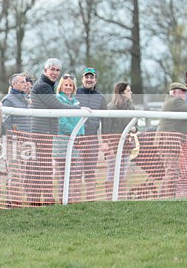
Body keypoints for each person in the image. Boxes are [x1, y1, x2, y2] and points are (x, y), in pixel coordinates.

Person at [29, 58, 86, 205]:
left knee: (40, 168)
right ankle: (46, 200)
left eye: (57, 70)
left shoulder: (48, 85)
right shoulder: (43, 86)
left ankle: (36, 201)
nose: (55, 73)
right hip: (41, 132)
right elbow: (57, 106)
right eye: (52, 69)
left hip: (44, 131)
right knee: (44, 168)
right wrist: (79, 109)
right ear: (45, 70)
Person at [75, 67, 107, 200]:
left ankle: (90, 200)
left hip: (93, 138)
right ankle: (74, 199)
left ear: (95, 80)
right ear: (82, 79)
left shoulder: (100, 97)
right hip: (77, 138)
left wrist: (104, 140)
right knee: (76, 172)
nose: (89, 79)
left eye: (91, 77)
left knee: (90, 172)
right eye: (86, 77)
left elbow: (105, 120)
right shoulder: (75, 93)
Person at [102, 82, 136, 199]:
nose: (130, 93)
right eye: (128, 91)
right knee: (112, 172)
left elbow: (135, 124)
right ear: (121, 93)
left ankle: (120, 196)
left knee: (123, 173)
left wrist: (134, 128)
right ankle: (110, 197)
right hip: (113, 145)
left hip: (126, 145)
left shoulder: (131, 107)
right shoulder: (111, 107)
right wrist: (107, 144)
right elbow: (106, 127)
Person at [54, 75, 84, 203]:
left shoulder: (76, 102)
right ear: (61, 86)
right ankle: (62, 199)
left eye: (70, 85)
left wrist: (81, 135)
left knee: (71, 174)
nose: (68, 87)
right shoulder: (58, 99)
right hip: (62, 142)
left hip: (75, 142)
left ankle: (69, 199)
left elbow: (81, 121)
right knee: (62, 174)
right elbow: (61, 122)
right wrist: (75, 133)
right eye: (65, 85)